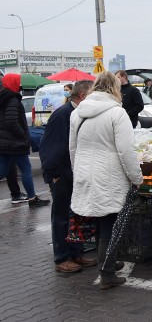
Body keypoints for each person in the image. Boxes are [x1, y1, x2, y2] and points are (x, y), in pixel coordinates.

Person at [69, 72, 143, 290]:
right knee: (110, 223)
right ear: (114, 88)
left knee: (101, 221)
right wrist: (136, 177)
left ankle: (106, 262)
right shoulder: (116, 114)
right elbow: (126, 151)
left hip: (86, 173)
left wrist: (79, 171)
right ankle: (107, 272)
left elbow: (73, 148)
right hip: (110, 175)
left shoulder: (78, 114)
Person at [40, 80, 97, 273]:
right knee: (62, 217)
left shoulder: (79, 114)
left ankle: (76, 252)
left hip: (75, 174)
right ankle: (62, 257)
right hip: (61, 175)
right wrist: (55, 175)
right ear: (82, 96)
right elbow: (51, 148)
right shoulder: (62, 115)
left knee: (77, 215)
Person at [0, 73, 50, 208]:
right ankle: (32, 199)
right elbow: (11, 122)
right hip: (15, 142)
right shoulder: (12, 99)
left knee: (3, 171)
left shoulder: (4, 98)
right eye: (18, 81)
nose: (20, 84)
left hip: (5, 142)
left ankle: (32, 198)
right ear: (13, 83)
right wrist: (23, 135)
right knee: (26, 169)